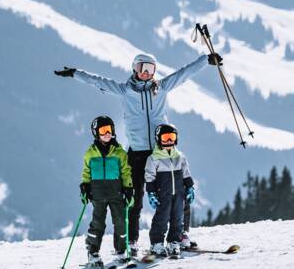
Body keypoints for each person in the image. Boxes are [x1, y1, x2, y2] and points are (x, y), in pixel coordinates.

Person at [55, 51, 221, 255]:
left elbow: (184, 73)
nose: (147, 73)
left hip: (161, 152)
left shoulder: (162, 88)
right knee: (134, 198)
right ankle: (131, 239)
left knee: (177, 192)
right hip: (137, 154)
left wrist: (206, 60)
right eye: (143, 68)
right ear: (135, 68)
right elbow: (98, 81)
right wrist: (75, 73)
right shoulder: (125, 91)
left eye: (151, 69)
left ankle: (181, 234)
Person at [79, 116, 134, 266]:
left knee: (120, 222)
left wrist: (128, 189)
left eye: (109, 130)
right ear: (96, 133)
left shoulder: (119, 152)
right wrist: (85, 187)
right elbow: (86, 172)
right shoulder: (90, 154)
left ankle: (121, 250)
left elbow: (126, 172)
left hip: (116, 193)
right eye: (103, 130)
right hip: (97, 194)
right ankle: (93, 251)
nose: (107, 133)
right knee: (98, 224)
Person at [144, 124, 195, 258]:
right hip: (163, 195)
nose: (169, 141)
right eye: (165, 137)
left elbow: (186, 174)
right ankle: (156, 243)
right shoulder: (153, 158)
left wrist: (190, 187)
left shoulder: (180, 157)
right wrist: (151, 193)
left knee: (178, 219)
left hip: (179, 194)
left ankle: (174, 242)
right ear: (158, 139)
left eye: (172, 137)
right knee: (161, 219)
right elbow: (149, 178)